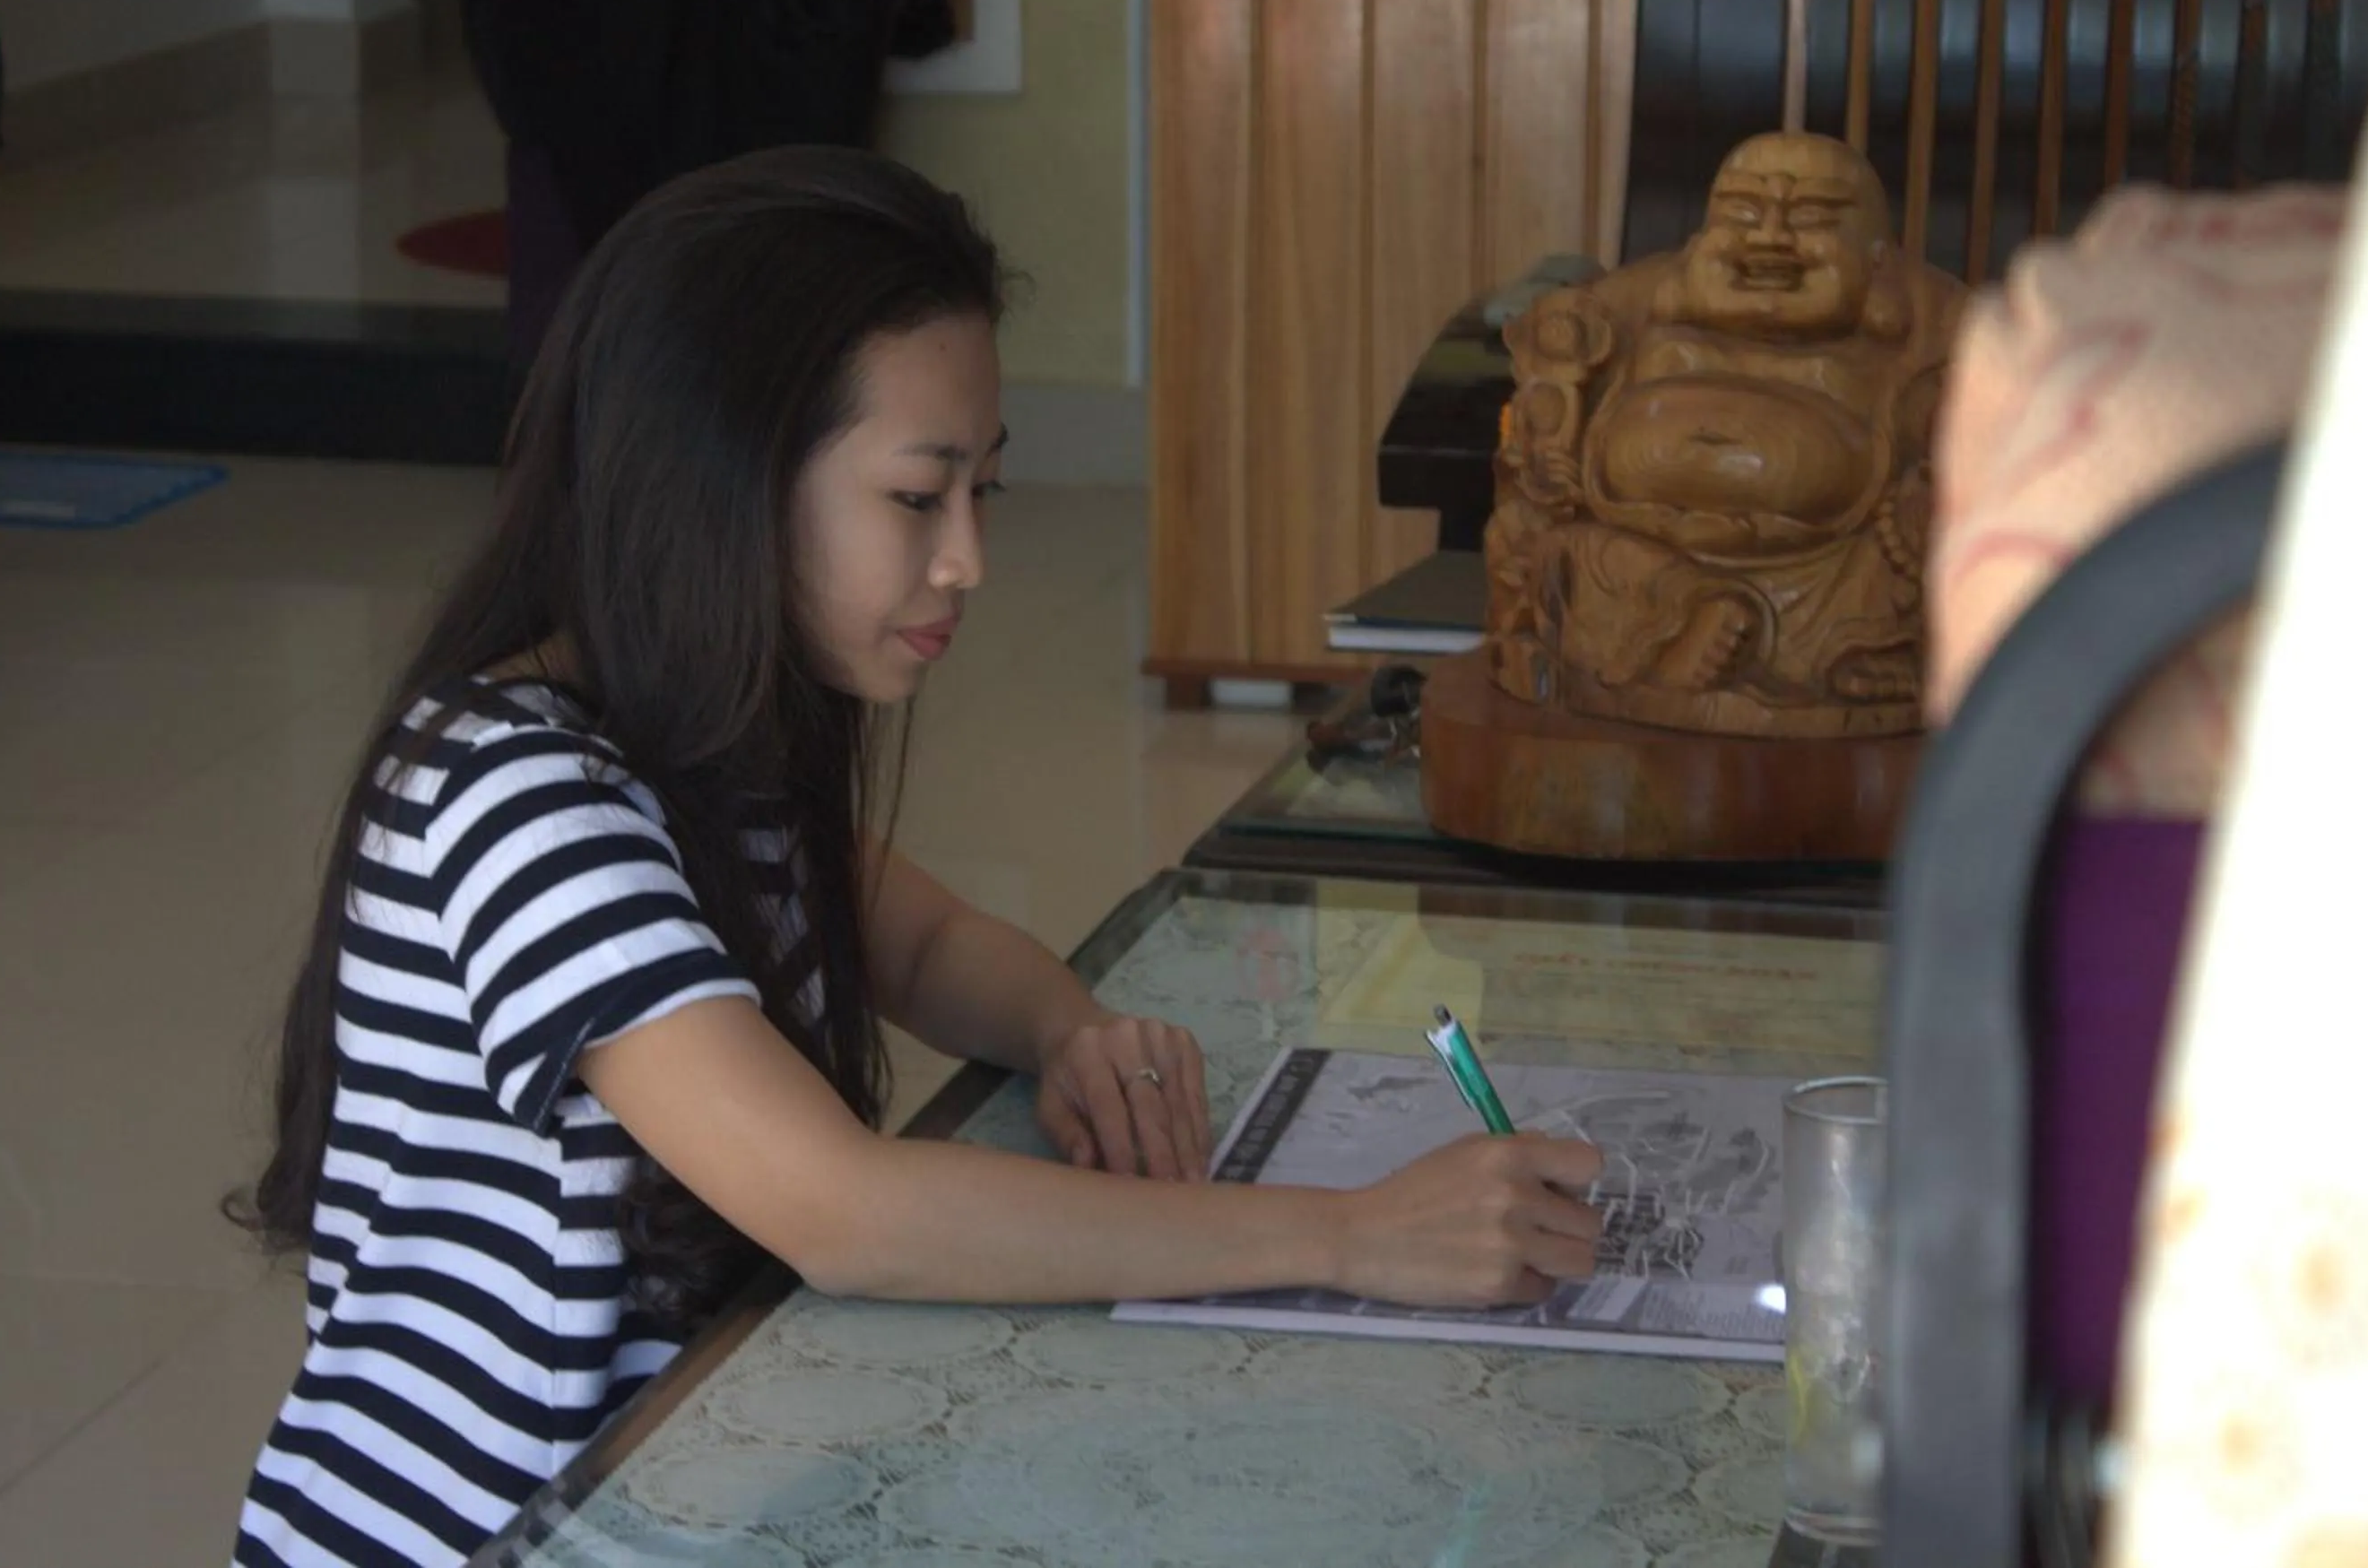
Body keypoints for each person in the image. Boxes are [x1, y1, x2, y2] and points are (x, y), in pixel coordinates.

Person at [226, 146, 1606, 1568]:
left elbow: (930, 944)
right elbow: (845, 1210)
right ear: (724, 474)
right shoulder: (520, 793)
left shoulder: (705, 732)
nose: (968, 560)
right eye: (916, 496)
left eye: (984, 493)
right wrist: (1346, 1236)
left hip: (684, 1476)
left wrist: (1071, 1027)